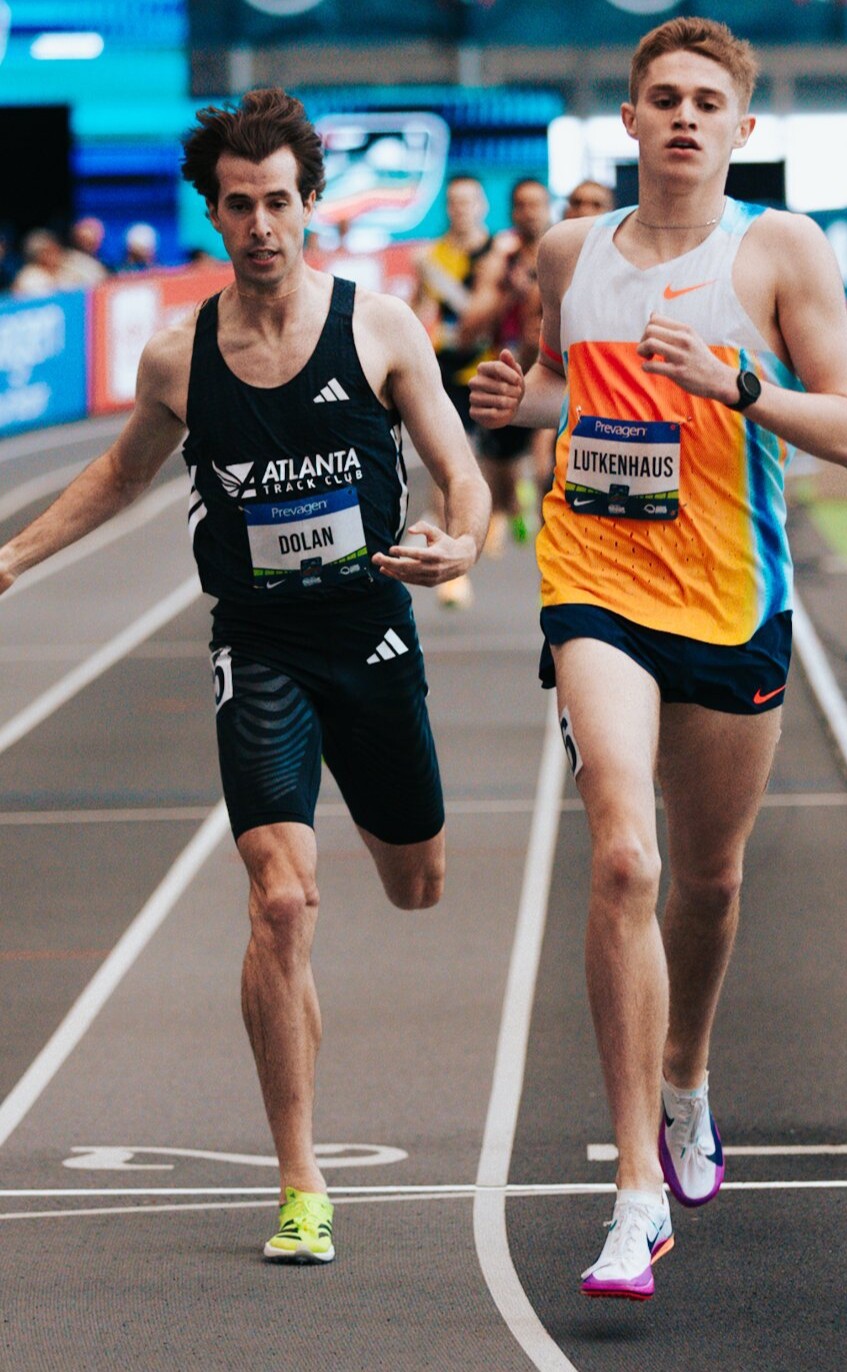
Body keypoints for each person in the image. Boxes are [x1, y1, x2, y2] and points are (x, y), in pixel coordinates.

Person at [0, 88, 490, 1266]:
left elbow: (460, 472)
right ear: (212, 214)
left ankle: (364, 890)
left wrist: (464, 539)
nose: (261, 224)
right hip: (259, 644)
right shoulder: (179, 357)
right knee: (280, 901)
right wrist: (11, 557)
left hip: (371, 634)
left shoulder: (380, 329)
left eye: (278, 200)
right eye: (238, 205)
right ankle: (301, 1179)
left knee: (417, 883)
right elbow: (121, 477)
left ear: (310, 202)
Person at [470, 15, 847, 1301]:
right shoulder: (570, 252)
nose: (686, 116)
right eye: (665, 97)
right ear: (630, 121)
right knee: (624, 858)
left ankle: (687, 1078)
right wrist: (522, 401)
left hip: (732, 597)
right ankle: (635, 1189)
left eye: (708, 100)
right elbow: (571, 387)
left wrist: (737, 382)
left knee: (708, 877)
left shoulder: (780, 249)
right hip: (597, 582)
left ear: (741, 127)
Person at [412, 173, 496, 608]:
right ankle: (455, 570)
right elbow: (420, 308)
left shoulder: (500, 253)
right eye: (454, 202)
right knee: (449, 464)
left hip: (494, 367)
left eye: (468, 201)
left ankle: (503, 505)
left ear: (482, 205)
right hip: (447, 371)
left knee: (497, 465)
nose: (461, 209)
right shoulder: (431, 257)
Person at [461, 177, 553, 553]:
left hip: (552, 372)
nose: (529, 212)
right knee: (502, 479)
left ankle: (548, 530)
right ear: (513, 211)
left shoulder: (564, 255)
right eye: (522, 205)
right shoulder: (500, 262)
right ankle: (517, 503)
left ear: (549, 208)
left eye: (536, 204)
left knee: (545, 460)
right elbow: (471, 326)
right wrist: (505, 293)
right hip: (510, 371)